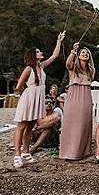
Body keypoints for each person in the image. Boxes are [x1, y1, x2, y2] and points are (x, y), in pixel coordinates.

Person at [13, 32, 65, 168]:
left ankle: (25, 152)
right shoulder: (28, 68)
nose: (40, 52)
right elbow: (19, 86)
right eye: (37, 51)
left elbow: (54, 56)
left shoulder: (40, 67)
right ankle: (17, 155)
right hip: (29, 99)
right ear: (32, 55)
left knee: (30, 126)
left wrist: (59, 41)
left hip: (37, 99)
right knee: (21, 126)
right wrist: (25, 97)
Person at [60, 42, 95, 160]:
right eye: (82, 53)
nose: (85, 54)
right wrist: (73, 51)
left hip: (86, 96)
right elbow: (68, 63)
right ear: (78, 56)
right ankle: (70, 152)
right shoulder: (73, 69)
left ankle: (83, 151)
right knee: (72, 122)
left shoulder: (91, 70)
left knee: (84, 123)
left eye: (87, 53)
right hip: (74, 97)